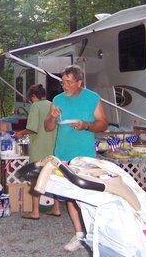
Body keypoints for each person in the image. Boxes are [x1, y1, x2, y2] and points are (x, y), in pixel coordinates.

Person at [44, 64, 108, 252]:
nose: (65, 85)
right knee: (71, 196)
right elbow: (48, 127)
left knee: (87, 196)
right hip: (63, 154)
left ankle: (94, 234)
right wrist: (53, 117)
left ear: (79, 82)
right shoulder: (57, 99)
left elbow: (103, 124)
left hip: (85, 156)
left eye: (69, 82)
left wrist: (86, 125)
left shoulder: (92, 98)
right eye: (63, 82)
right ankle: (80, 234)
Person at [14, 84, 60, 220]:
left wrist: (20, 133)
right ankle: (56, 208)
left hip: (39, 148)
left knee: (36, 179)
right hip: (54, 147)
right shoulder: (54, 104)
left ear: (34, 96)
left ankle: (35, 211)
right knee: (56, 179)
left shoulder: (36, 106)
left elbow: (32, 128)